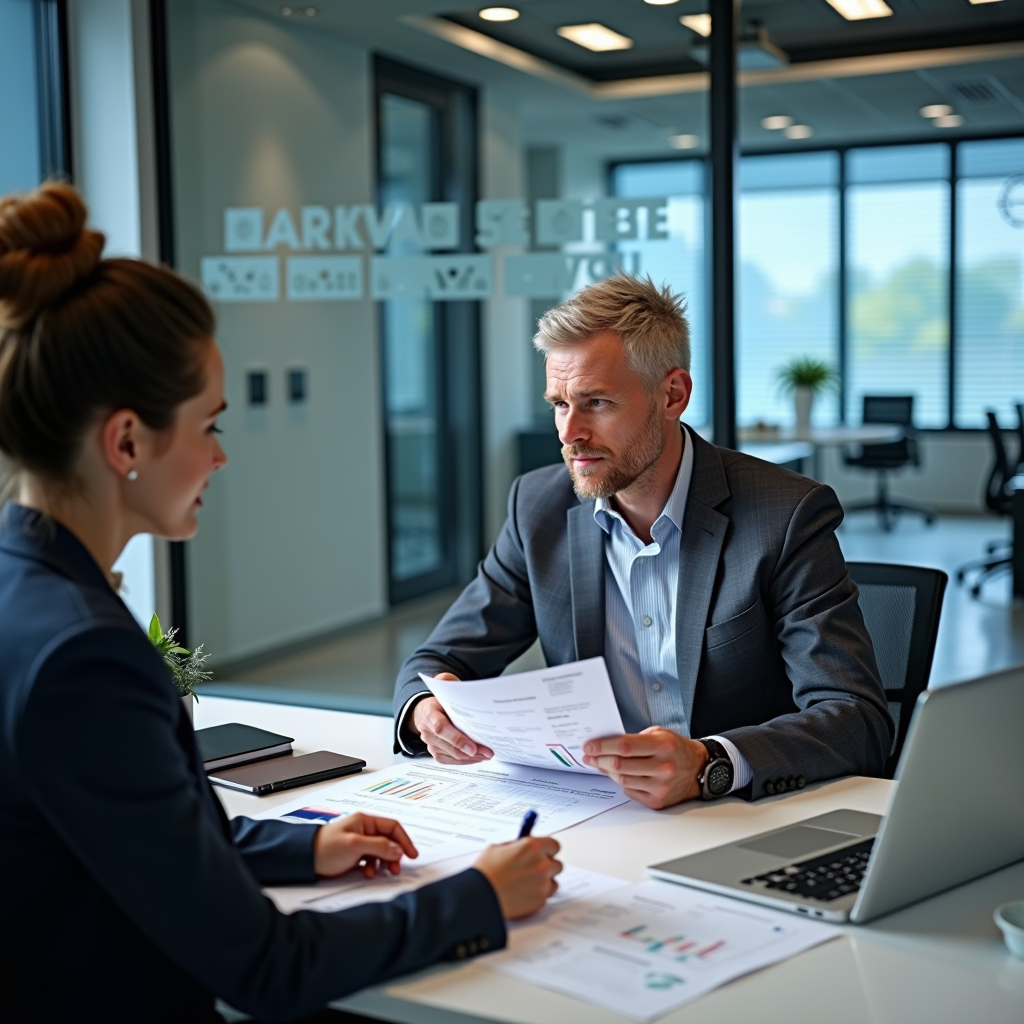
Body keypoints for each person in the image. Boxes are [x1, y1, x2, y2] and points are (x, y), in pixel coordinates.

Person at [0, 183, 562, 1024]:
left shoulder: (27, 589)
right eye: (211, 426)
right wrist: (477, 897)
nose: (221, 460)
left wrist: (309, 845)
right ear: (126, 442)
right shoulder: (83, 655)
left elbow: (135, 842)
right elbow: (267, 967)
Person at [394, 274, 892, 810]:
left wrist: (710, 764)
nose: (569, 432)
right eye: (559, 404)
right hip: (592, 812)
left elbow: (856, 717)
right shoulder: (537, 507)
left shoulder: (784, 515)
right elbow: (438, 658)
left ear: (672, 394)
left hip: (734, 813)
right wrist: (426, 708)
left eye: (597, 402)